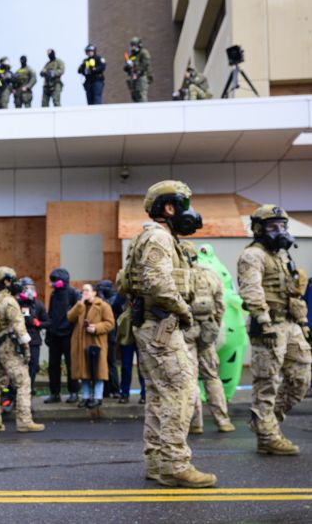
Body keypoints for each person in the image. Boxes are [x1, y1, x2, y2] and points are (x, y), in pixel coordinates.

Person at [117, 180, 216, 488]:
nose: (189, 212)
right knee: (182, 391)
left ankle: (157, 463)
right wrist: (185, 312)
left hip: (153, 326)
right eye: (183, 205)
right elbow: (159, 285)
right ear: (169, 208)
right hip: (161, 324)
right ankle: (174, 464)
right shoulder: (159, 237)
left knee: (161, 396)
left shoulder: (157, 238)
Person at [237, 205, 311, 455]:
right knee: (266, 381)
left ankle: (266, 423)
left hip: (291, 325)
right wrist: (263, 320)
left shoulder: (281, 255)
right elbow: (251, 289)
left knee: (301, 378)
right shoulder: (253, 256)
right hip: (268, 326)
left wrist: (301, 323)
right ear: (258, 229)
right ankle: (267, 435)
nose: (279, 231)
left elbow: (291, 291)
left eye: (283, 226)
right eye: (272, 227)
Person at [180, 241, 235, 434]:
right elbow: (221, 304)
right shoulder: (211, 274)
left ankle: (196, 423)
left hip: (186, 331)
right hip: (207, 329)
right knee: (212, 376)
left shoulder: (179, 276)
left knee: (191, 378)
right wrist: (214, 325)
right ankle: (223, 420)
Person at [0, 267, 45, 433]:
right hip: (8, 348)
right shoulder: (9, 302)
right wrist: (27, 350)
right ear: (7, 281)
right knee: (23, 382)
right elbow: (19, 328)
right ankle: (24, 421)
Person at [68, 283, 115, 408]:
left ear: (94, 292)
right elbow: (70, 317)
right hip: (81, 344)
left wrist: (97, 328)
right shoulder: (80, 305)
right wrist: (80, 303)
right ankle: (86, 397)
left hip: (96, 343)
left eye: (87, 290)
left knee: (98, 371)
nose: (84, 293)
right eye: (83, 290)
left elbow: (110, 323)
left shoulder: (103, 306)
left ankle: (98, 398)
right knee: (84, 372)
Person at [44, 268, 80, 403]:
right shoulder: (54, 295)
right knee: (53, 365)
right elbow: (51, 314)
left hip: (68, 335)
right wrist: (48, 333)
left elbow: (77, 313)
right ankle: (55, 393)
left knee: (71, 364)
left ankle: (74, 392)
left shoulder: (72, 293)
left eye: (55, 280)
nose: (52, 283)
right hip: (54, 335)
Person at [16, 277, 49, 392]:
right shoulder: (16, 304)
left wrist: (38, 323)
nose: (29, 290)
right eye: (26, 288)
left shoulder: (38, 305)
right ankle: (19, 389)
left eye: (31, 288)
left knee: (33, 366)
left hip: (34, 341)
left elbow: (48, 322)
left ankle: (31, 386)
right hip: (19, 340)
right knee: (19, 366)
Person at [95, 280, 121, 398]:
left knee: (111, 363)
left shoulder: (114, 297)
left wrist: (100, 295)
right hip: (101, 335)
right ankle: (106, 390)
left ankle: (115, 389)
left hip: (111, 335)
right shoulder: (104, 297)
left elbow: (107, 307)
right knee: (102, 363)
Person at [124, 37, 152, 102]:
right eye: (132, 46)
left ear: (139, 45)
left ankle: (143, 110)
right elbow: (126, 67)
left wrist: (138, 73)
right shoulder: (132, 55)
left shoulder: (143, 52)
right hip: (133, 78)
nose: (133, 48)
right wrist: (127, 66)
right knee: (134, 96)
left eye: (134, 46)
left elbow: (146, 64)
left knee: (141, 96)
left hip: (141, 77)